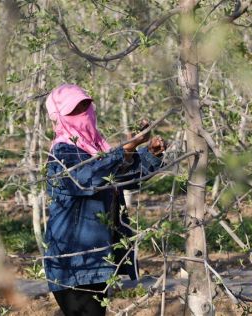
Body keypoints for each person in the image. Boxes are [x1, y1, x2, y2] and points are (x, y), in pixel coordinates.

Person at [44, 84, 166, 316]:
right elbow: (86, 178)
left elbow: (121, 178)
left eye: (85, 107)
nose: (84, 115)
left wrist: (149, 154)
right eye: (74, 111)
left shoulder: (97, 149)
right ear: (58, 116)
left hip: (98, 260)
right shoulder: (62, 152)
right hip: (73, 263)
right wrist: (126, 149)